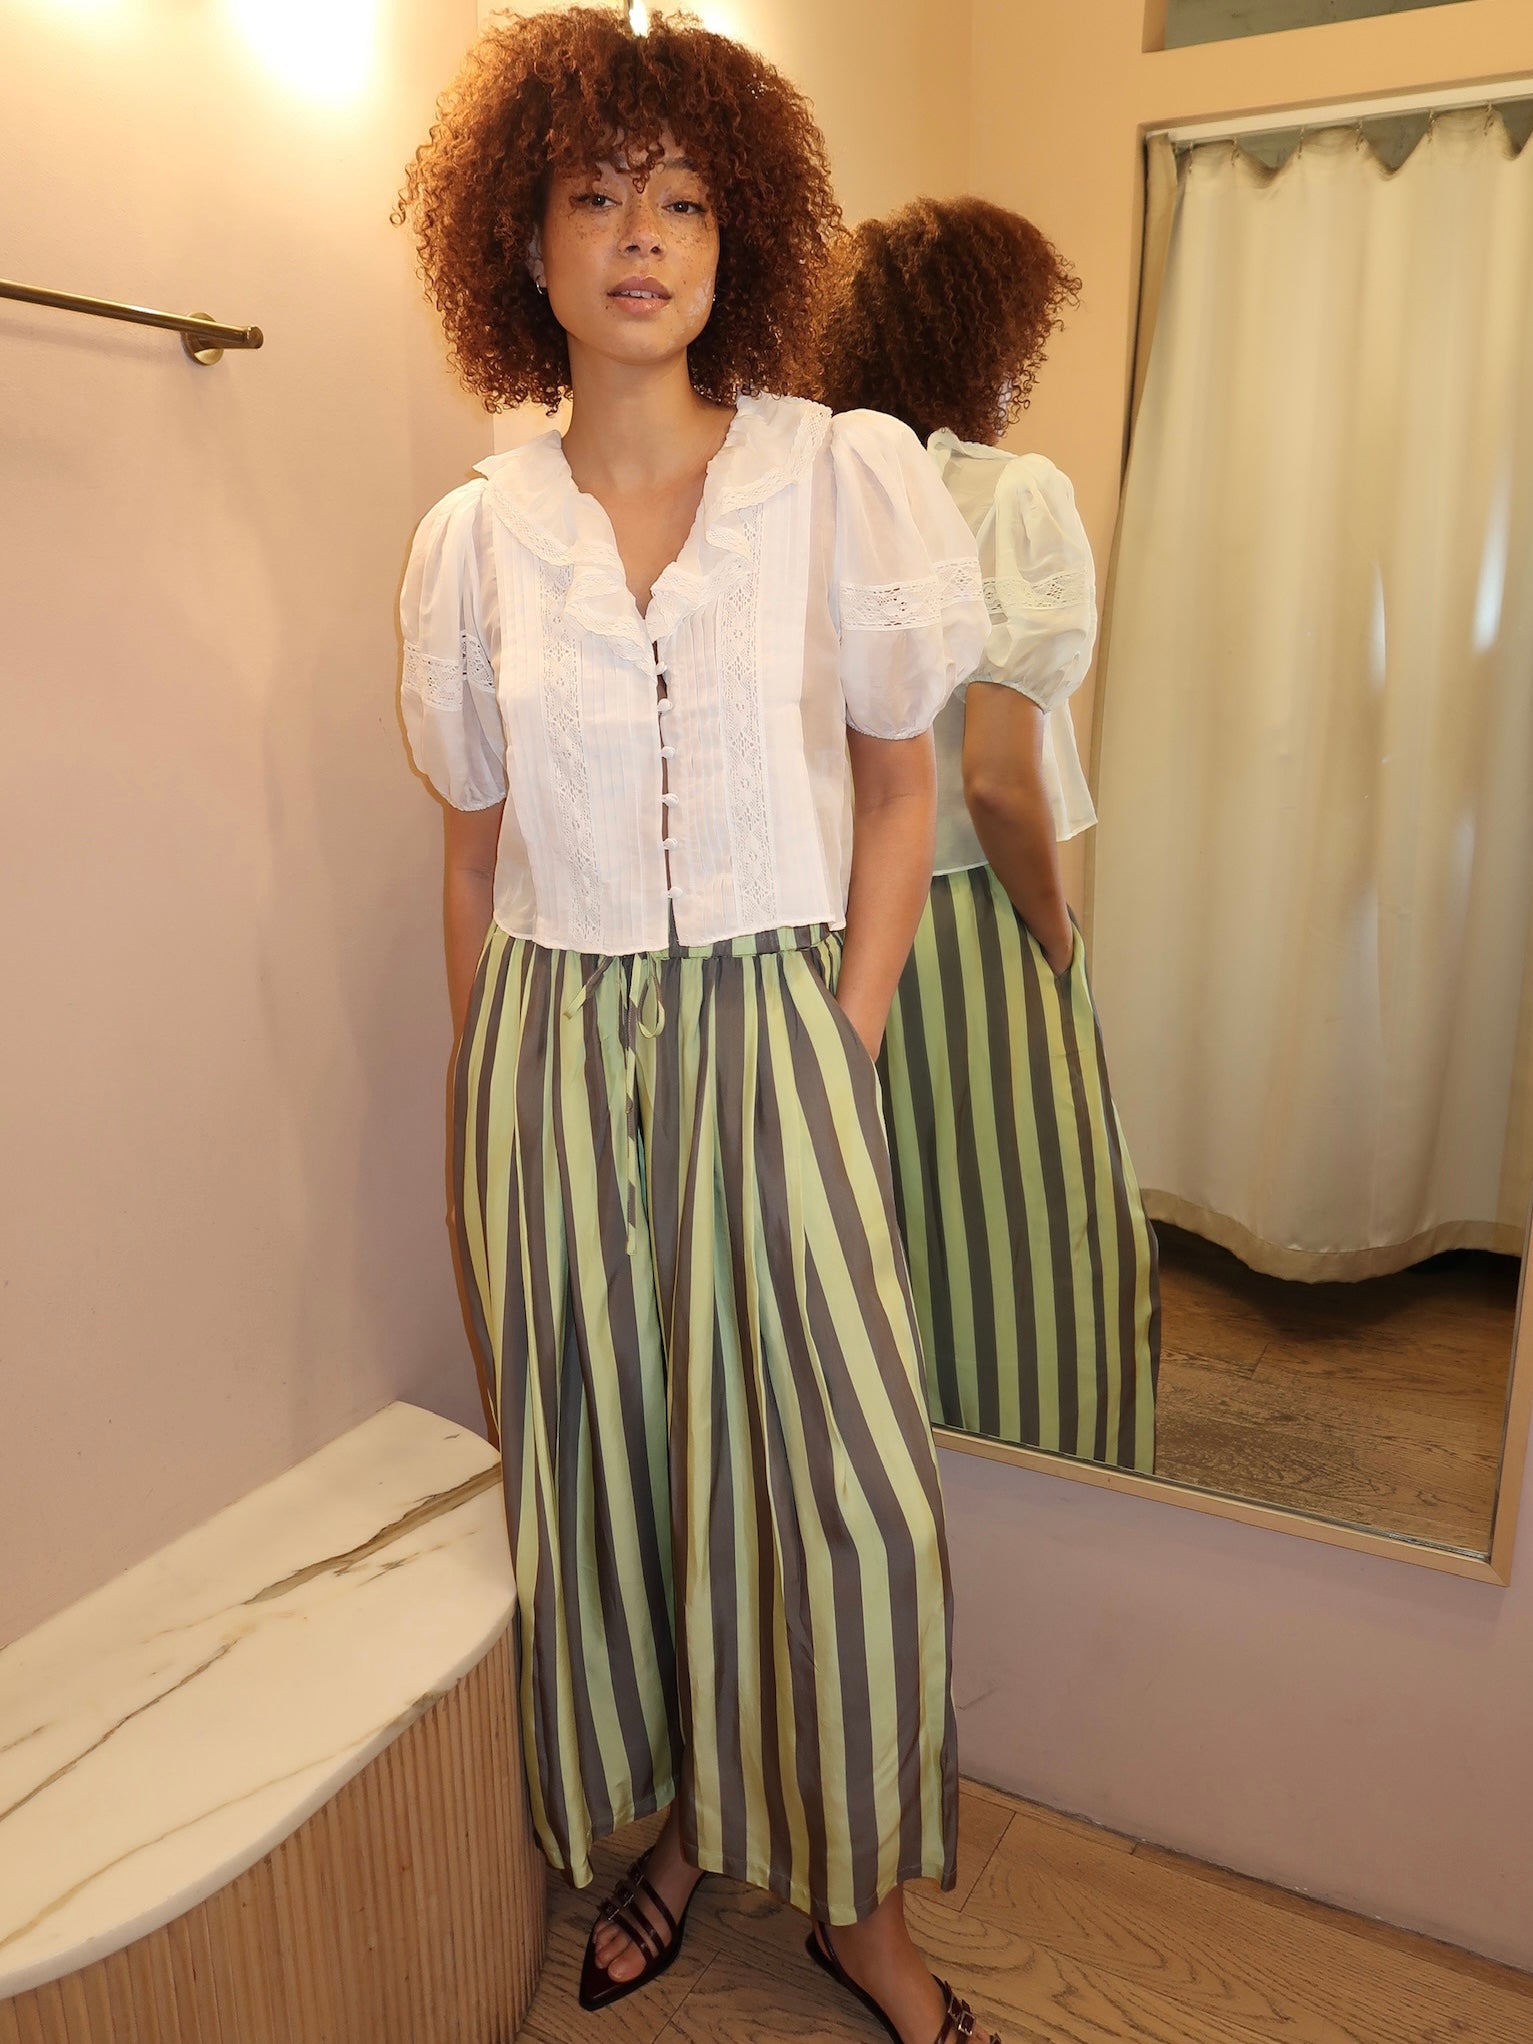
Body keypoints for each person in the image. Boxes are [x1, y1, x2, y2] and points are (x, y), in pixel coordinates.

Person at [395, 15, 1001, 2043]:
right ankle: (673, 1832)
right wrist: (496, 1104)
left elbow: (901, 791)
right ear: (526, 243)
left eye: (679, 199)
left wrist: (839, 1033)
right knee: (620, 1477)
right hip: (551, 1047)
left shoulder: (835, 479)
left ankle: (858, 1905)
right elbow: (470, 855)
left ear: (738, 239)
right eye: (594, 195)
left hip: (775, 1020)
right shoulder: (475, 537)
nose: (639, 235)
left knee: (839, 1490)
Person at [813, 196, 1159, 1475]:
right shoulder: (1010, 494)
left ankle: (909, 1493)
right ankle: (1058, 1489)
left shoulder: (807, 491)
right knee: (1036, 1232)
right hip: (963, 919)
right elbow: (1000, 781)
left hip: (828, 927)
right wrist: (1056, 937)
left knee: (884, 1226)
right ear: (980, 340)